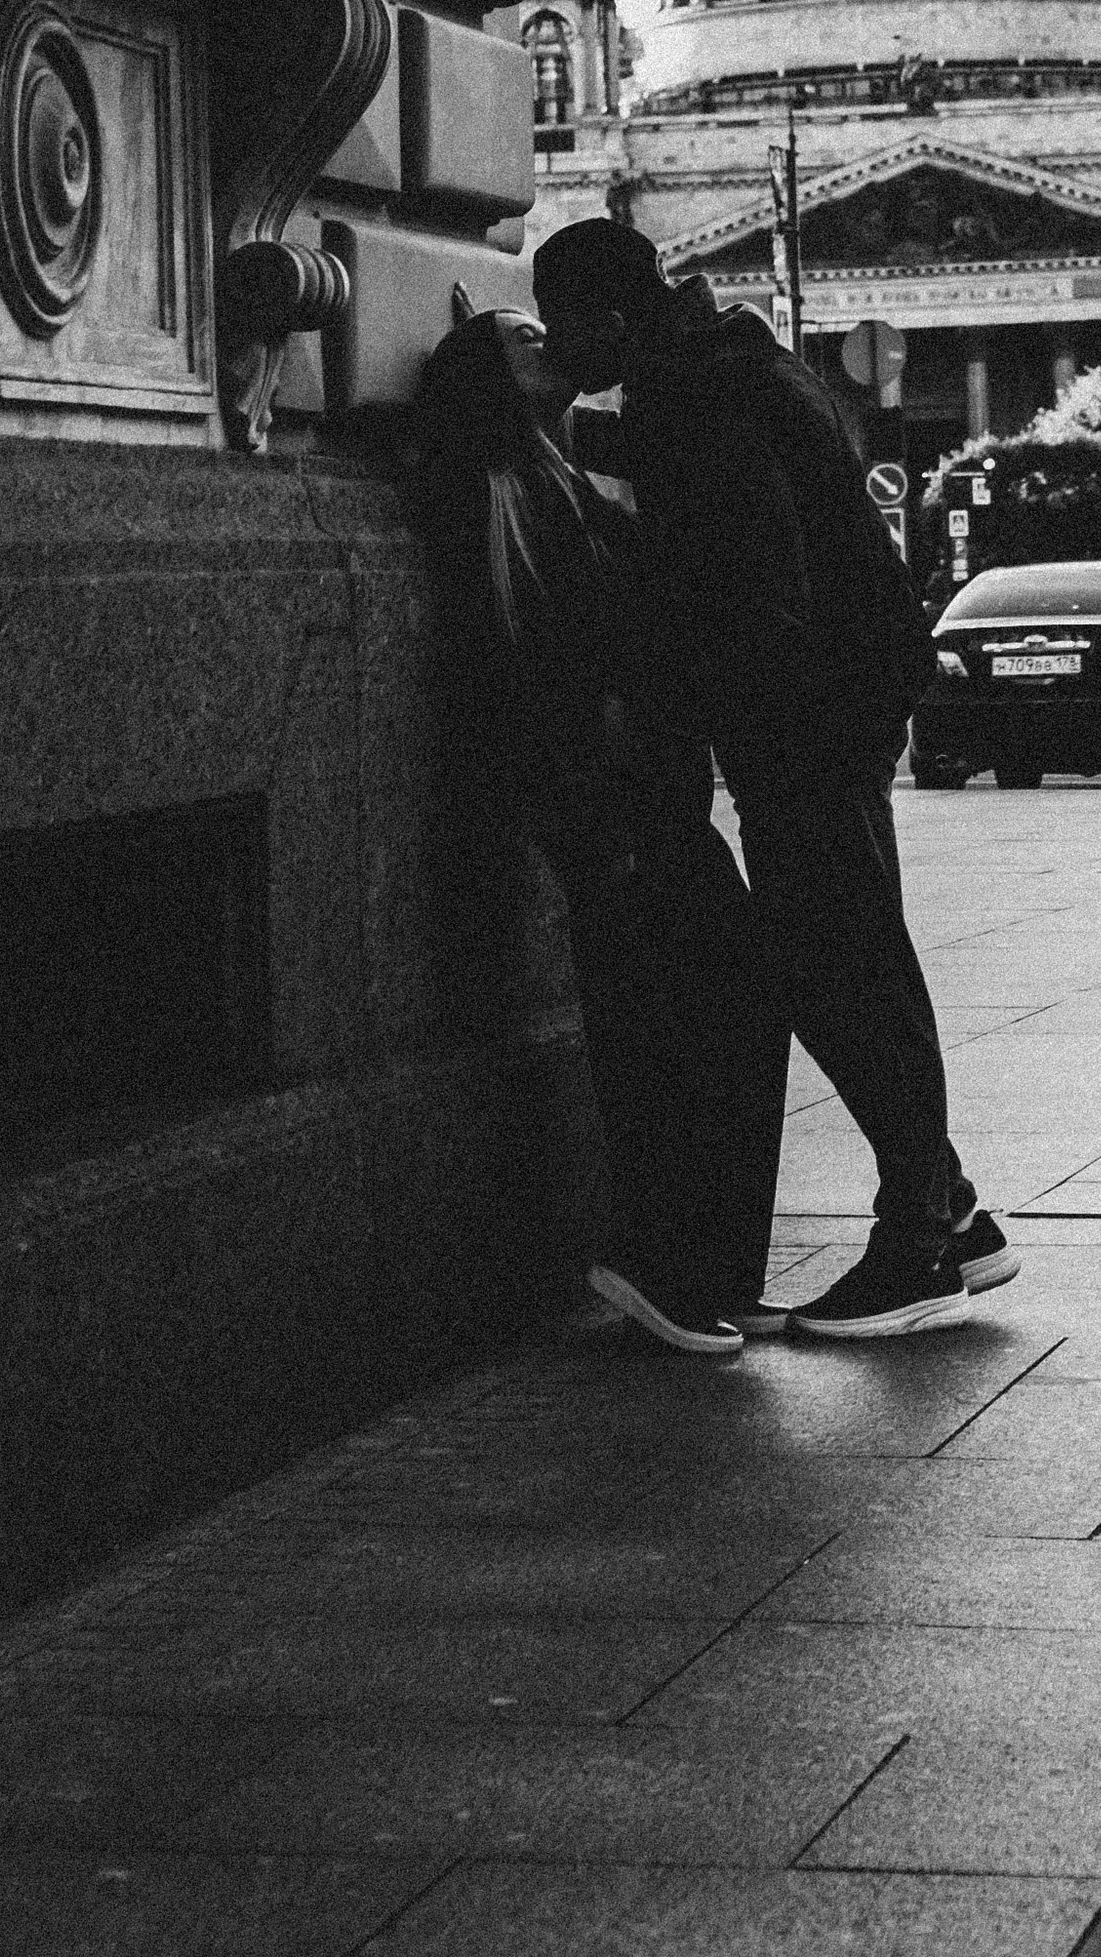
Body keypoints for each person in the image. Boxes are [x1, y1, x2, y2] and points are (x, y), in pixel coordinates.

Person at [533, 216, 1009, 1341]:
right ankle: (952, 1208)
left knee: (840, 962)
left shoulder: (693, 392)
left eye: (563, 332)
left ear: (606, 317)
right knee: (840, 956)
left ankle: (919, 1244)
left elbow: (748, 587)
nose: (559, 354)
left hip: (805, 714)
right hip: (834, 699)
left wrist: (673, 726)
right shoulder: (726, 364)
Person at [410, 300, 791, 1360]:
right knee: (655, 1023)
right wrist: (583, 803)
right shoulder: (485, 490)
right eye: (521, 337)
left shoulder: (564, 476)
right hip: (602, 801)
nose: (551, 340)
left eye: (546, 324)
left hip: (648, 788)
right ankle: (656, 1260)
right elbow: (514, 664)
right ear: (484, 376)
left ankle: (714, 1261)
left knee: (735, 997)